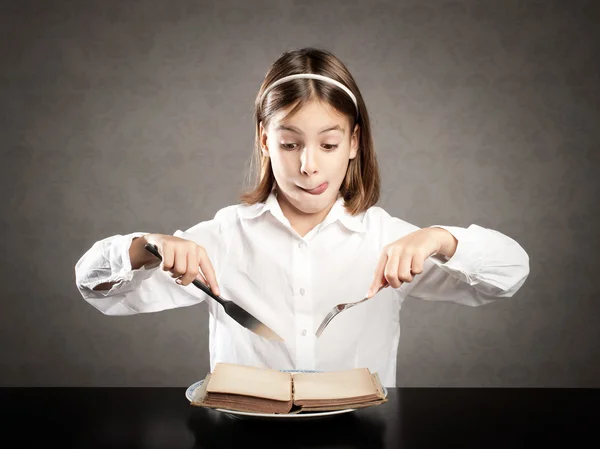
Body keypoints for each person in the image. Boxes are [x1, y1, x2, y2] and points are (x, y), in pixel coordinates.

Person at [75, 47, 530, 387]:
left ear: (354, 144)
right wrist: (144, 247)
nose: (308, 165)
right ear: (264, 141)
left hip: (364, 435)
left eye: (328, 145)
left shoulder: (387, 240)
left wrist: (442, 240)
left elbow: (511, 272)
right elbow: (92, 285)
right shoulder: (223, 238)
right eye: (290, 143)